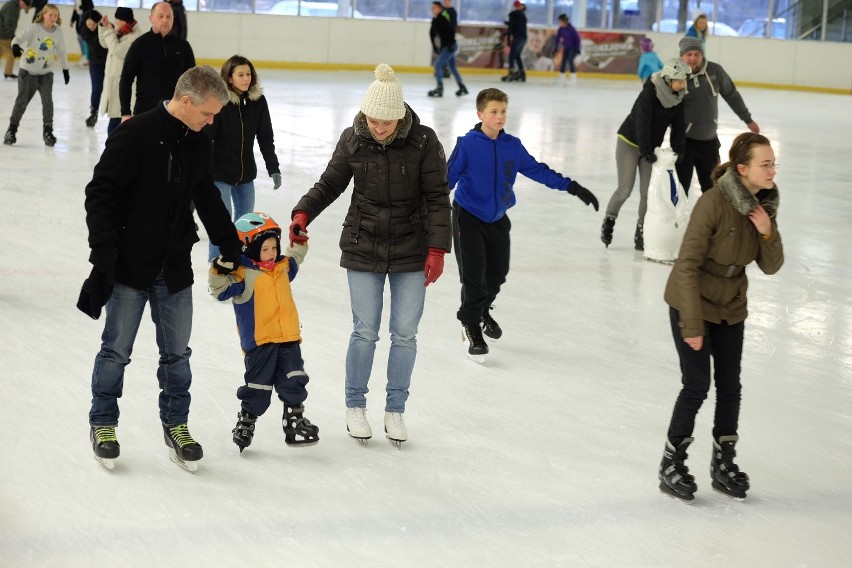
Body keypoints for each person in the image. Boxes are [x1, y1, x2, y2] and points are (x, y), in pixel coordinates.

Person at [82, 65, 244, 471]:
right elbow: (100, 193)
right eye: (208, 113)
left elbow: (206, 196)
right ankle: (103, 422)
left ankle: (177, 425)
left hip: (173, 267)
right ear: (185, 101)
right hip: (129, 267)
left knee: (177, 355)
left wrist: (229, 244)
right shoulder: (134, 134)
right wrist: (103, 250)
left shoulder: (198, 143)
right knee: (116, 351)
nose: (212, 121)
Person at [290, 63, 451, 447]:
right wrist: (302, 212)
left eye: (387, 122)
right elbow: (330, 183)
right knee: (364, 331)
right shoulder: (353, 139)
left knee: (406, 334)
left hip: (412, 247)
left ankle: (395, 409)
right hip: (363, 242)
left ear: (401, 116)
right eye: (373, 120)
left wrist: (437, 248)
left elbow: (437, 198)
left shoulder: (424, 142)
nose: (379, 128)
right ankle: (355, 405)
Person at [657, 132, 783, 501]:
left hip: (732, 306)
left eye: (774, 163)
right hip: (691, 299)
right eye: (766, 164)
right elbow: (685, 266)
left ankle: (723, 463)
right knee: (696, 384)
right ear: (742, 169)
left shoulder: (763, 206)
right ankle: (671, 463)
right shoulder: (713, 203)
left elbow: (771, 266)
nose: (772, 169)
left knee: (730, 388)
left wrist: (767, 232)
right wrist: (692, 324)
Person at [447, 88, 599, 359]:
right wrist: (425, 208)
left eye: (503, 111)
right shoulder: (468, 144)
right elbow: (447, 179)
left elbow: (537, 170)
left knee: (497, 274)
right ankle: (470, 325)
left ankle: (483, 310)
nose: (500, 116)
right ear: (480, 113)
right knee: (473, 276)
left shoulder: (512, 146)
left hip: (497, 218)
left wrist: (572, 187)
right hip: (468, 216)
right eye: (493, 111)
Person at [208, 212, 320, 452]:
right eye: (265, 248)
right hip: (260, 342)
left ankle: (294, 421)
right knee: (258, 387)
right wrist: (218, 269)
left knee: (295, 378)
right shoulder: (243, 275)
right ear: (249, 249)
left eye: (274, 247)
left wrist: (298, 241)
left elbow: (295, 257)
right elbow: (218, 291)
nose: (271, 252)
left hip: (289, 337)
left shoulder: (282, 267)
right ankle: (247, 420)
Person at [601, 59, 689, 251]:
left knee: (647, 194)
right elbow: (641, 123)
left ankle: (641, 230)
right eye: (680, 80)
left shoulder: (679, 98)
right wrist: (646, 150)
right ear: (668, 79)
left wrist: (679, 149)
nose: (683, 84)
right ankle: (609, 220)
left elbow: (679, 127)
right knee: (624, 189)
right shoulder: (649, 93)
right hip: (629, 143)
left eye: (684, 80)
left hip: (649, 149)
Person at [204, 55, 281, 262]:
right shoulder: (220, 102)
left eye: (248, 74)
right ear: (229, 78)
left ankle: (238, 263)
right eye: (240, 75)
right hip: (219, 173)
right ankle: (216, 266)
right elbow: (207, 138)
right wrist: (201, 171)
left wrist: (273, 167)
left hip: (245, 174)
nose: (246, 78)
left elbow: (266, 137)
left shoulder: (258, 101)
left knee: (246, 224)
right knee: (221, 224)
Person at [676, 37, 759, 195]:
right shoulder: (675, 74)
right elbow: (664, 106)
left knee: (713, 189)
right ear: (682, 56)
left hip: (709, 142)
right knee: (680, 189)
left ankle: (712, 219)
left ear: (702, 55)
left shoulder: (715, 71)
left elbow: (731, 95)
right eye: (689, 54)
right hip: (683, 142)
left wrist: (747, 118)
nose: (693, 58)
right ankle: (677, 220)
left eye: (697, 54)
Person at [2, 4, 69, 147]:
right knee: (21, 103)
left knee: (48, 103)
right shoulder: (34, 28)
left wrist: (65, 69)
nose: (53, 18)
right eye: (50, 15)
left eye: (55, 15)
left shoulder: (58, 32)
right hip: (28, 73)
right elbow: (17, 39)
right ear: (43, 15)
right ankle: (11, 131)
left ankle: (48, 132)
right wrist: (14, 46)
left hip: (46, 75)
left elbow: (62, 52)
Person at [119, 1, 195, 121]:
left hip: (176, 113)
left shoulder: (183, 46)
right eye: (160, 16)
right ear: (151, 18)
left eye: (168, 16)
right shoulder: (140, 45)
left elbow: (192, 81)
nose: (165, 20)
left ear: (173, 19)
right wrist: (125, 113)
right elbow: (126, 80)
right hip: (145, 113)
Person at [97, 7, 142, 136]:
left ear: (123, 20)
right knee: (114, 118)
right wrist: (103, 27)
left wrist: (110, 31)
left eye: (117, 19)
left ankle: (114, 151)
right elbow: (105, 43)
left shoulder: (135, 36)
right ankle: (113, 150)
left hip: (123, 82)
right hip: (113, 80)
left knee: (119, 118)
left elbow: (117, 50)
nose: (115, 22)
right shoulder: (121, 31)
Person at [428, 1, 467, 98]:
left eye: (435, 8)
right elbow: (432, 34)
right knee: (452, 67)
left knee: (437, 65)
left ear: (440, 9)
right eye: (432, 8)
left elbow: (450, 31)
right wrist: (435, 46)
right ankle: (462, 87)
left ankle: (439, 88)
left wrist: (450, 45)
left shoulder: (442, 19)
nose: (433, 10)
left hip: (450, 46)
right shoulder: (435, 20)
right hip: (446, 46)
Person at [78, 8, 106, 128]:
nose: (91, 27)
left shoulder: (106, 28)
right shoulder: (85, 32)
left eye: (93, 24)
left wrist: (106, 27)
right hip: (96, 63)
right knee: (97, 88)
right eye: (89, 24)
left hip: (109, 62)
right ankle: (93, 113)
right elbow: (97, 45)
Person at [0, 0, 32, 80]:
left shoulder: (13, 5)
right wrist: (12, 36)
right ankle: (8, 72)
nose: (24, 7)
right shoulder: (12, 7)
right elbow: (9, 22)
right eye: (24, 5)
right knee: (11, 51)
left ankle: (8, 72)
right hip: (3, 34)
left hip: (2, 32)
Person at [502, 1, 527, 82]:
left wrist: (508, 38)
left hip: (517, 37)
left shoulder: (513, 14)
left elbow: (512, 27)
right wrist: (508, 23)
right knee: (517, 55)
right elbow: (517, 24)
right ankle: (522, 73)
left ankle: (511, 73)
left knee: (512, 55)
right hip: (524, 37)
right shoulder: (523, 15)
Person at [554, 13, 581, 85]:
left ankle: (573, 76)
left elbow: (577, 39)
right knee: (563, 61)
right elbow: (557, 39)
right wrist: (555, 49)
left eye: (560, 21)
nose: (559, 23)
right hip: (566, 47)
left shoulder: (571, 29)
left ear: (564, 21)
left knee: (570, 60)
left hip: (573, 47)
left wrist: (578, 48)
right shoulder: (561, 29)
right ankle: (562, 75)